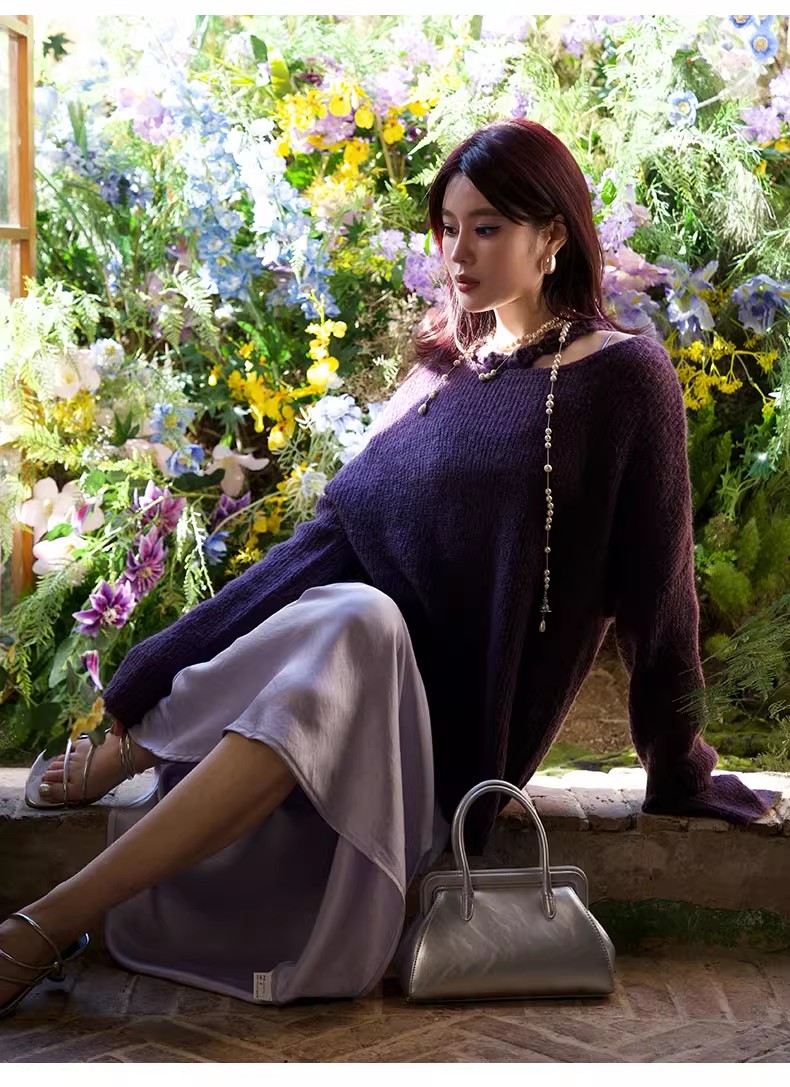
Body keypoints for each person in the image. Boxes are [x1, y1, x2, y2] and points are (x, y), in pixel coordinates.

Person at [1, 118, 779, 1017]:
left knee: (360, 618)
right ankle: (47, 917)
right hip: (320, 729)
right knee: (354, 610)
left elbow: (660, 596)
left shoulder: (625, 379)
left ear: (553, 237)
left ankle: (46, 919)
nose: (458, 252)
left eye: (487, 227)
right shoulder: (441, 376)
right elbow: (320, 549)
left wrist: (678, 766)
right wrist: (147, 682)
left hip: (434, 771)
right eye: (447, 227)